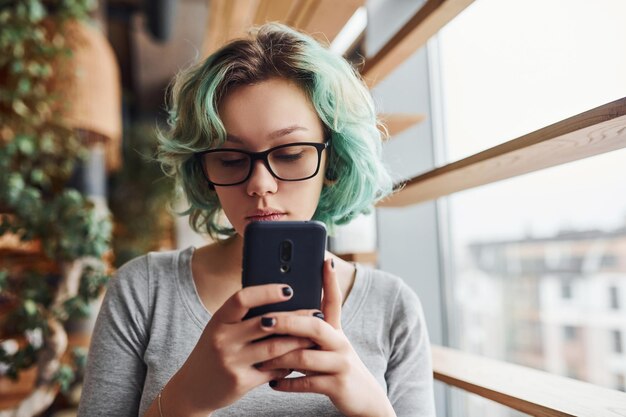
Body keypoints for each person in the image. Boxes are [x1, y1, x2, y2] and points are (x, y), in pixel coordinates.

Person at [77, 23, 436, 417]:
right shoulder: (143, 292)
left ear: (332, 161)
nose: (259, 184)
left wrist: (372, 409)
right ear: (205, 171)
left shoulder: (393, 308)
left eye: (291, 153)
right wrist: (185, 400)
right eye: (230, 159)